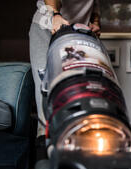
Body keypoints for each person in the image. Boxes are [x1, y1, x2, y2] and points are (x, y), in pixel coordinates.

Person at [29, 0, 101, 149]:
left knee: (80, 88)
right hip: (48, 26)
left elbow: (95, 5)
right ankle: (46, 149)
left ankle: (79, 145)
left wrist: (95, 22)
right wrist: (54, 14)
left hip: (79, 33)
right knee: (47, 89)